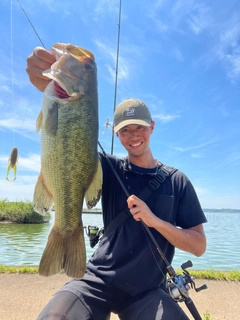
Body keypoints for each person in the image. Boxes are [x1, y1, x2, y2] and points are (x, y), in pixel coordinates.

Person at [26, 47, 207, 320]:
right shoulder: (107, 168)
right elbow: (71, 146)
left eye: (139, 127)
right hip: (96, 280)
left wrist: (154, 220)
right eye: (125, 130)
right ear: (117, 134)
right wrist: (45, 82)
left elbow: (198, 246)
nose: (133, 135)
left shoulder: (177, 181)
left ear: (152, 127)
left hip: (148, 291)